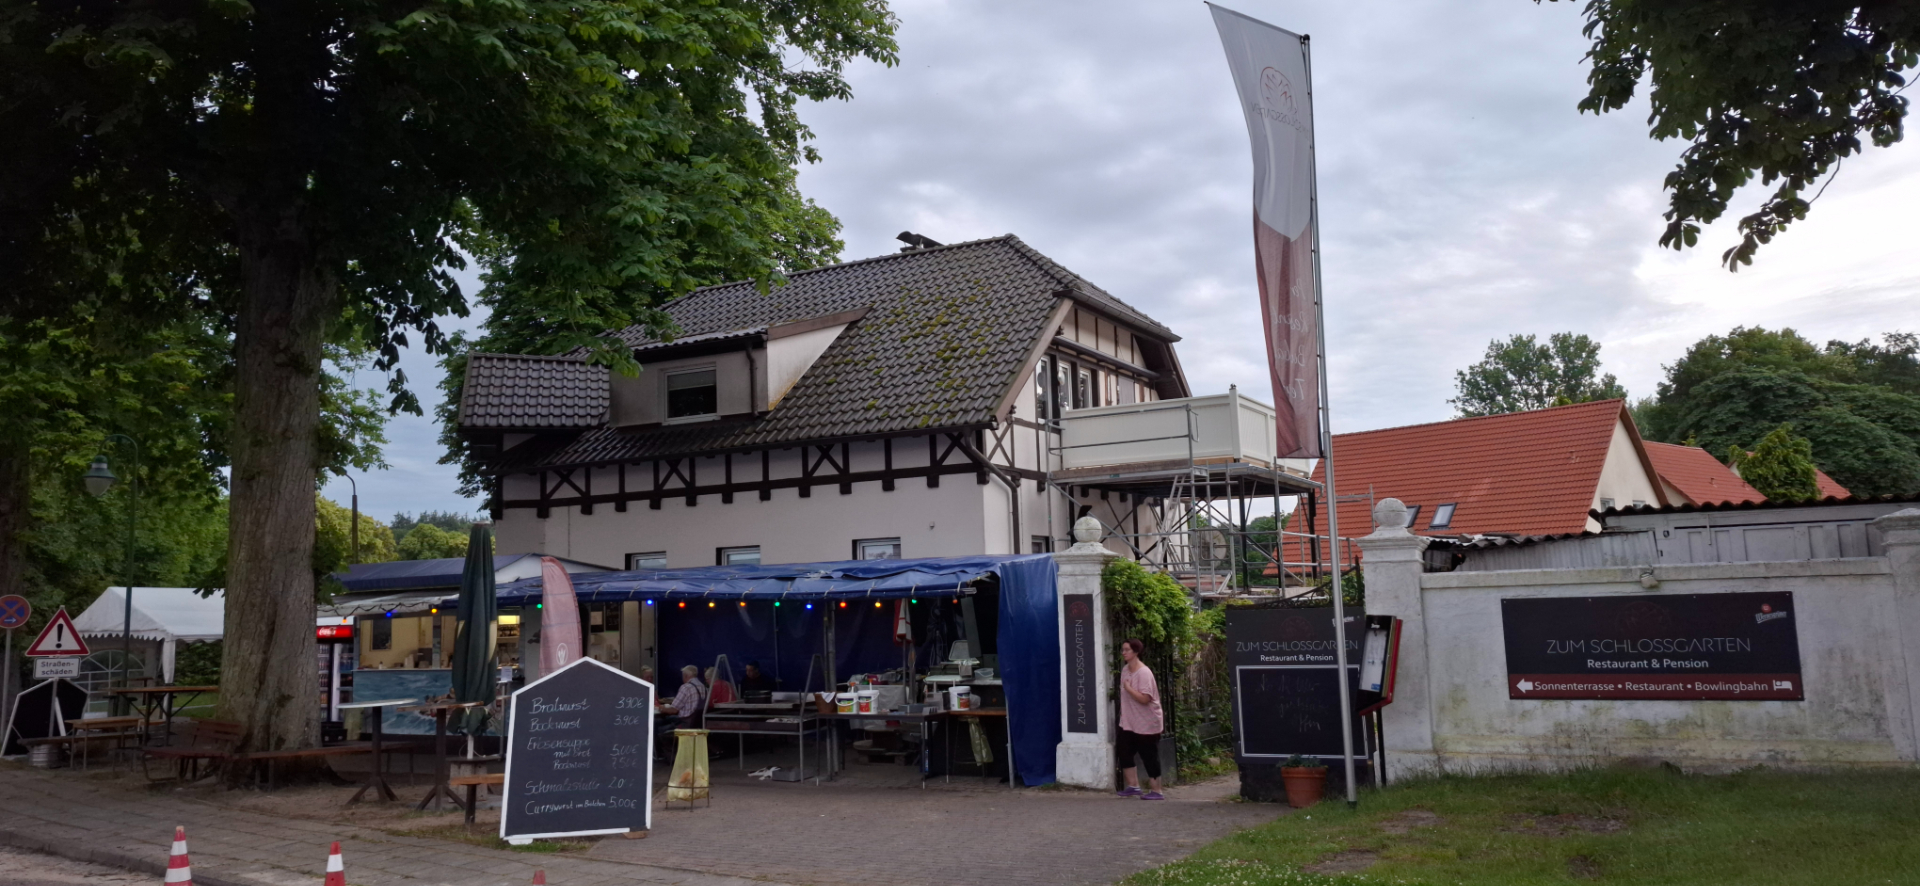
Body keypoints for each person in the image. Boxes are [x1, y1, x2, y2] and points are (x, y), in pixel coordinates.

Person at [1116, 638, 1165, 800]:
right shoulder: (1125, 670)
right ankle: (1133, 786)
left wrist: (1129, 688)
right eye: (1123, 649)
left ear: (1136, 652)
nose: (1123, 652)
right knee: (1124, 751)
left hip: (1147, 722)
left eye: (1127, 650)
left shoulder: (1144, 673)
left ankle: (1157, 791)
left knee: (1149, 755)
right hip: (1129, 721)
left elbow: (1145, 699)